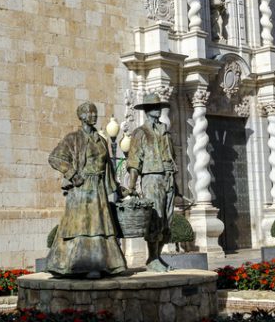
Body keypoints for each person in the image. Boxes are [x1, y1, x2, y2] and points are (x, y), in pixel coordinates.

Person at [46, 101, 127, 278]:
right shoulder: (73, 138)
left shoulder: (101, 140)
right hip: (81, 188)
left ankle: (105, 264)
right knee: (81, 226)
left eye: (95, 112)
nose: (93, 115)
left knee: (99, 226)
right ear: (81, 116)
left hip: (98, 187)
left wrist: (118, 188)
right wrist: (72, 174)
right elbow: (54, 158)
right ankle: (73, 265)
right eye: (90, 112)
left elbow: (109, 168)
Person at [125, 92, 177, 272]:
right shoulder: (140, 133)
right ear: (147, 110)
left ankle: (157, 256)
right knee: (155, 218)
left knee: (167, 221)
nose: (158, 110)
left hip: (168, 177)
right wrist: (131, 186)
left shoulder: (165, 131)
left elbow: (172, 155)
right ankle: (152, 258)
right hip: (152, 177)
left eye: (159, 107)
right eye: (154, 107)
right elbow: (133, 161)